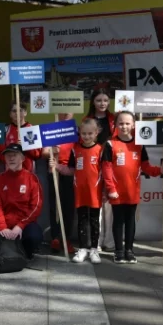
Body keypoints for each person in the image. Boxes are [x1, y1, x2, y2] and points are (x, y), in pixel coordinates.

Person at [103, 111, 163, 264]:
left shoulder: (139, 144)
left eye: (127, 123)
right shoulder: (110, 144)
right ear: (115, 125)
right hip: (116, 193)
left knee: (131, 221)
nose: (124, 126)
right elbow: (106, 169)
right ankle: (118, 251)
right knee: (118, 221)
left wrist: (159, 170)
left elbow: (145, 167)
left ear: (133, 125)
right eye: (121, 123)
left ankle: (129, 250)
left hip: (132, 191)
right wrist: (110, 188)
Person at [53, 117, 105, 264]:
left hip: (95, 192)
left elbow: (106, 171)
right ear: (79, 133)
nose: (87, 136)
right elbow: (70, 170)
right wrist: (57, 166)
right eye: (84, 133)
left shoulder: (100, 150)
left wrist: (106, 191)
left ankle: (94, 249)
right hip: (80, 192)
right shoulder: (75, 150)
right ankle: (82, 248)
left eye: (90, 133)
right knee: (82, 220)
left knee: (95, 221)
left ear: (96, 133)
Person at [0, 143, 43, 259]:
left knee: (34, 236)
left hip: (25, 224)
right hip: (5, 224)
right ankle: (9, 254)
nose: (11, 158)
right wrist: (2, 227)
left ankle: (23, 254)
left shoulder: (32, 179)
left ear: (23, 158)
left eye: (15, 155)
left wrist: (20, 226)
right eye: (8, 155)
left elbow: (36, 206)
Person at [86, 89, 115, 252]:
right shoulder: (87, 119)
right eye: (98, 100)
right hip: (93, 165)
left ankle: (109, 240)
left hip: (110, 164)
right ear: (93, 102)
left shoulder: (113, 119)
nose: (102, 103)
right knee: (95, 203)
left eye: (105, 100)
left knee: (109, 203)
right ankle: (96, 240)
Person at [44, 112, 76, 255]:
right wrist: (52, 150)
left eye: (68, 110)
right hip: (54, 172)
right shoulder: (51, 129)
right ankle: (55, 238)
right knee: (54, 207)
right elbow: (43, 152)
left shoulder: (76, 130)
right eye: (62, 110)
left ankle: (66, 238)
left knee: (68, 207)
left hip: (69, 172)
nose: (65, 113)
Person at [0, 100, 41, 173]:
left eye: (20, 110)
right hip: (10, 172)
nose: (17, 113)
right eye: (14, 111)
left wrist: (26, 146)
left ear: (25, 113)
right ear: (10, 114)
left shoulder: (32, 129)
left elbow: (37, 154)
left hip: (28, 172)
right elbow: (1, 154)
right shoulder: (5, 130)